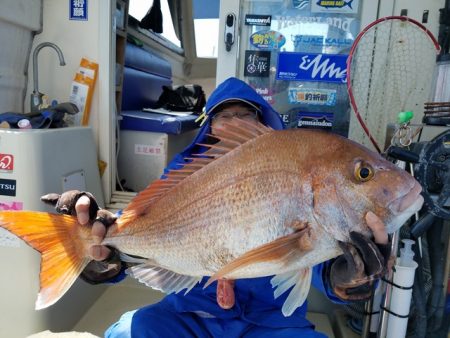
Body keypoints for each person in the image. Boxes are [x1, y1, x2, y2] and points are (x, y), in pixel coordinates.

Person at [43, 77, 390, 338]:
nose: (233, 122)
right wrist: (108, 251)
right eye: (222, 117)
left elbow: (306, 255)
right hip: (192, 315)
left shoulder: (291, 172)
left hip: (270, 323)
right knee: (131, 330)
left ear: (264, 122)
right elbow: (149, 227)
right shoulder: (184, 173)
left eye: (245, 114)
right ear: (209, 128)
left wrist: (340, 277)